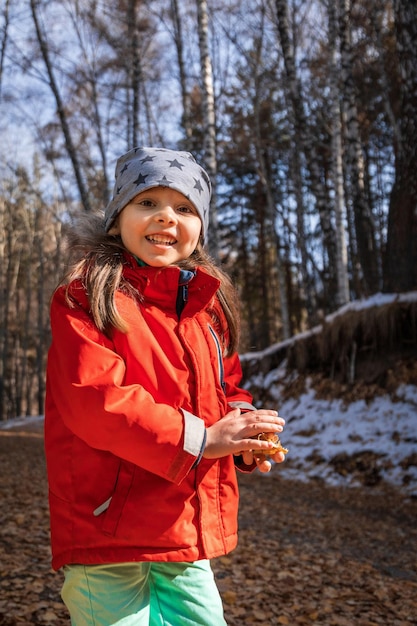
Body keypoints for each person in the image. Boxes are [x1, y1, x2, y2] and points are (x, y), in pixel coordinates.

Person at [44, 146, 286, 626]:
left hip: (183, 524)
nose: (166, 218)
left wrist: (240, 434)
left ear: (201, 228)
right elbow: (97, 399)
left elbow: (226, 384)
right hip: (106, 527)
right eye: (147, 203)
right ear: (117, 219)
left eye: (184, 208)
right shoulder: (86, 297)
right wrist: (202, 440)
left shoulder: (207, 306)